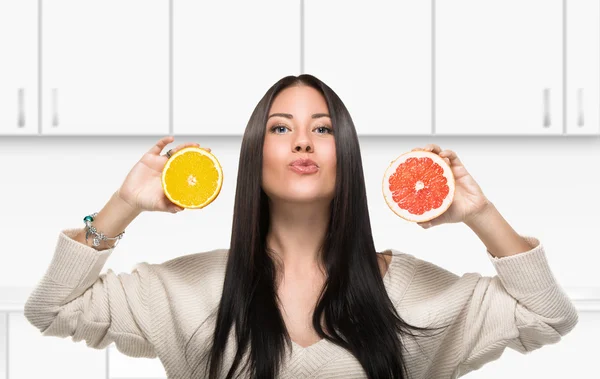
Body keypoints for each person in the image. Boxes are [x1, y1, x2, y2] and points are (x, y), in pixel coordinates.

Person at [24, 74, 578, 379]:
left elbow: (549, 315)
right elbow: (52, 308)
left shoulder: (414, 294)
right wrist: (124, 204)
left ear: (347, 156)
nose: (303, 141)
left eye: (322, 128)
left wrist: (479, 213)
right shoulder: (187, 290)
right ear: (253, 156)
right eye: (281, 128)